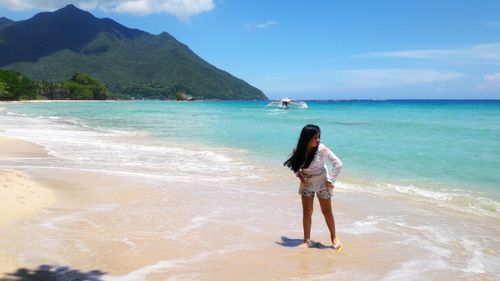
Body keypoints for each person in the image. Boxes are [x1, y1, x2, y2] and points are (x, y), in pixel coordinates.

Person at [284, 124, 343, 251]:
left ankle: (334, 238)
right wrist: (300, 176)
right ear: (307, 138)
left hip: (322, 182)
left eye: (319, 137)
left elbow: (338, 164)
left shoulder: (322, 149)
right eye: (315, 138)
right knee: (307, 212)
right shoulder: (299, 150)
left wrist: (330, 180)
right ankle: (307, 240)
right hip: (307, 183)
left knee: (326, 212)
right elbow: (294, 166)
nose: (318, 140)